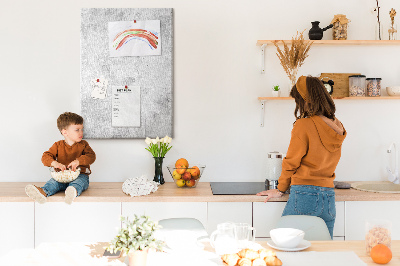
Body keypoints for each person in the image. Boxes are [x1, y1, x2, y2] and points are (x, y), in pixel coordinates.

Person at [256, 76, 346, 238]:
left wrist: (280, 189)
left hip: (305, 195)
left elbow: (291, 162)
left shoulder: (304, 125)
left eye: (298, 100)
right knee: (323, 250)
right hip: (328, 197)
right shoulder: (337, 125)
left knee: (285, 244)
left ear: (306, 100)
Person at [25, 112, 96, 205]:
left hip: (80, 175)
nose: (81, 132)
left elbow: (91, 156)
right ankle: (42, 192)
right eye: (77, 130)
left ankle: (72, 192)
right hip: (61, 177)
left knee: (79, 183)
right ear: (65, 132)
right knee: (52, 183)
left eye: (82, 129)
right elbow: (45, 157)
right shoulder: (58, 145)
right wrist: (55, 163)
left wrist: (78, 161)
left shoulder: (84, 145)